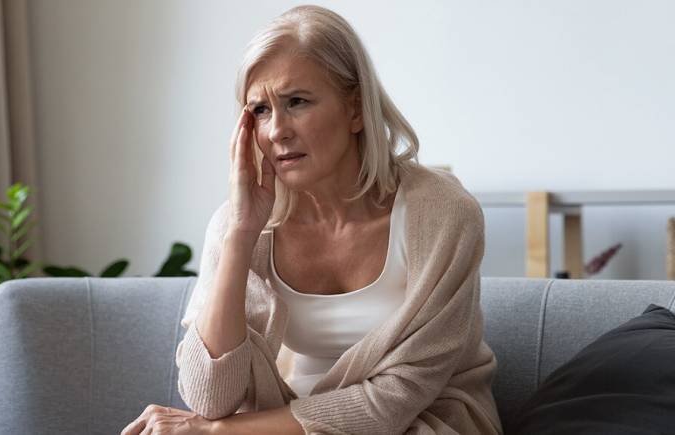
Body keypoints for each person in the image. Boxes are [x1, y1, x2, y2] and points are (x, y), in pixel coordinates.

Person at [122, 5, 502, 435]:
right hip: (282, 424)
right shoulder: (241, 223)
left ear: (356, 109)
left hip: (422, 422)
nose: (277, 130)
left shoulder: (442, 212)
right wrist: (240, 234)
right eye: (260, 111)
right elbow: (210, 397)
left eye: (296, 102)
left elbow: (396, 398)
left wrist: (216, 433)